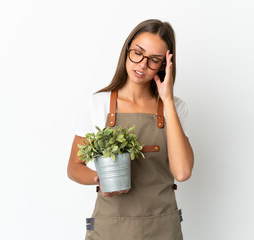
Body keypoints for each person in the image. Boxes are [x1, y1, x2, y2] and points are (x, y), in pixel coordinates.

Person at [67, 19, 194, 240]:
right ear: (127, 50)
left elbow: (182, 172)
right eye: (138, 53)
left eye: (154, 60)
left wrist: (168, 101)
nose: (143, 64)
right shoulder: (98, 104)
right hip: (110, 228)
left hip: (162, 227)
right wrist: (100, 179)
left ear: (164, 65)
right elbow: (74, 167)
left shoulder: (176, 108)